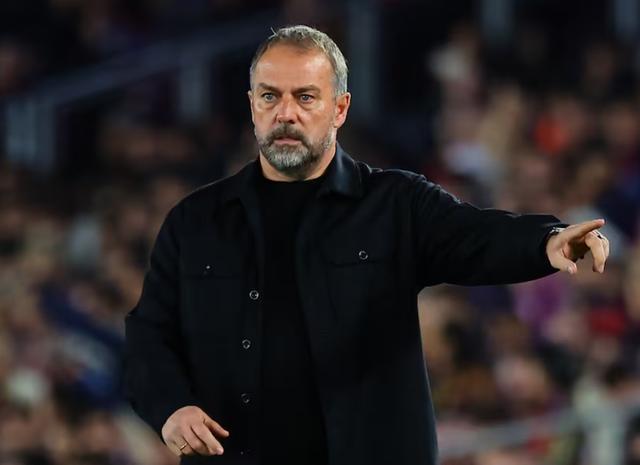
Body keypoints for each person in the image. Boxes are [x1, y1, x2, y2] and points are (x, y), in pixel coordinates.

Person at [123, 25, 610, 465]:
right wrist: (172, 408)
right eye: (270, 96)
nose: (285, 113)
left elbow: (476, 234)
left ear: (340, 108)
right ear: (252, 106)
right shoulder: (195, 222)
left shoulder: (396, 204)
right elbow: (149, 335)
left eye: (305, 97)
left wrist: (546, 240)